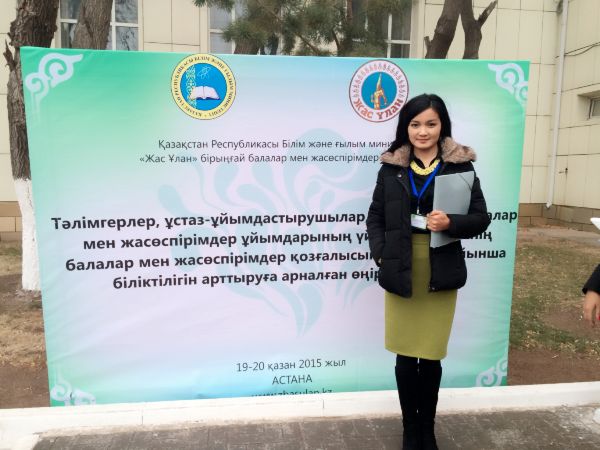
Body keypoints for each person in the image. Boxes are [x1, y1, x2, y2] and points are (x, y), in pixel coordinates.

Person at [366, 93, 490, 450]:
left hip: (440, 266)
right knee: (406, 355)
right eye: (415, 124)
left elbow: (481, 218)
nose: (423, 131)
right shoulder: (391, 168)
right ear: (406, 127)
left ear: (442, 126)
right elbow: (375, 217)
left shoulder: (460, 167)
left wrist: (452, 223)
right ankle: (410, 429)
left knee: (431, 355)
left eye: (431, 124)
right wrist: (381, 254)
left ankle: (427, 428)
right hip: (402, 265)